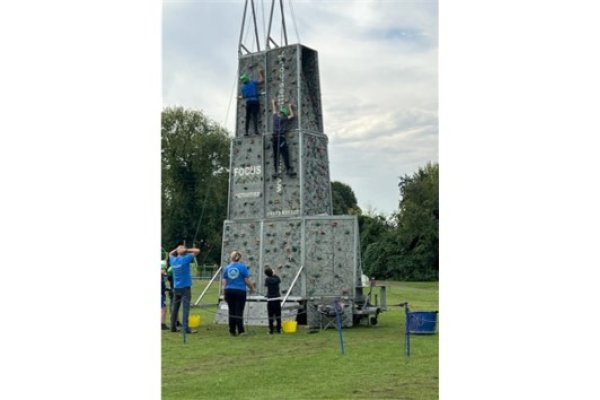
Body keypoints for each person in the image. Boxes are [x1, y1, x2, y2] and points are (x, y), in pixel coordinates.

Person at [221, 251, 256, 336]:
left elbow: (224, 282)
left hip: (229, 291)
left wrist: (224, 293)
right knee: (239, 311)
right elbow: (246, 280)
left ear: (231, 257)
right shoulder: (242, 267)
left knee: (231, 311)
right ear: (239, 258)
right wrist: (252, 288)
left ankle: (232, 330)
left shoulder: (227, 268)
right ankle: (240, 330)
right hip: (240, 291)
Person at [169, 244, 201, 334]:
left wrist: (177, 249)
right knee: (185, 308)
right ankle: (186, 328)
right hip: (185, 287)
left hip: (176, 287)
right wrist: (186, 250)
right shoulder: (185, 259)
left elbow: (170, 253)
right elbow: (197, 250)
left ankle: (172, 327)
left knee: (175, 308)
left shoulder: (173, 260)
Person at [271, 98, 297, 178]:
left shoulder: (275, 117)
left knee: (276, 155)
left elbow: (274, 110)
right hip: (280, 138)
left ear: (280, 112)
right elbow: (292, 116)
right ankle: (288, 170)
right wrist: (290, 107)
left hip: (274, 138)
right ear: (285, 114)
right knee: (285, 154)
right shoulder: (283, 118)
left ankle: (276, 171)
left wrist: (273, 103)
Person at [239, 71, 264, 136]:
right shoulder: (253, 82)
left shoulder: (242, 87)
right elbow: (261, 80)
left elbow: (244, 96)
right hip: (255, 101)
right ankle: (256, 131)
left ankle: (246, 132)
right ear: (247, 78)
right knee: (254, 116)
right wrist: (261, 73)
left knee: (247, 117)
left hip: (248, 103)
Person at [264, 267, 282, 334]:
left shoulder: (267, 279)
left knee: (270, 315)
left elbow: (266, 285)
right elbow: (279, 280)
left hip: (270, 299)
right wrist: (274, 274)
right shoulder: (276, 278)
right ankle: (279, 330)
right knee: (278, 315)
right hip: (277, 298)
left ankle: (271, 330)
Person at [161, 262, 169, 330]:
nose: (164, 270)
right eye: (163, 269)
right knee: (164, 309)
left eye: (165, 269)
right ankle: (162, 324)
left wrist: (167, 289)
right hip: (161, 295)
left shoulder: (162, 277)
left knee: (164, 309)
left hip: (162, 294)